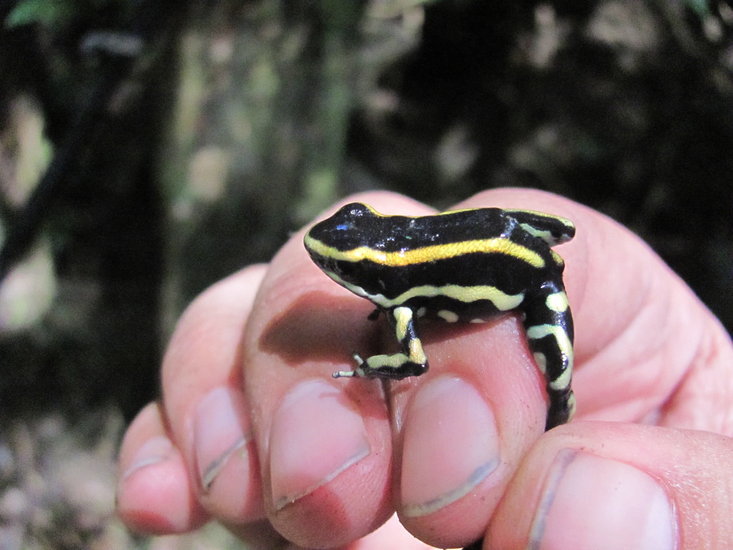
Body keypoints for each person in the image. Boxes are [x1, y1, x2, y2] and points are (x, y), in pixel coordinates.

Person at [116, 188, 733, 550]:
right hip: (514, 239)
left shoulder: (401, 302)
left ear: (375, 277)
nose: (333, 273)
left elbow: (411, 361)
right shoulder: (398, 295)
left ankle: (562, 417)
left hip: (532, 280)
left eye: (350, 270)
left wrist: (366, 367)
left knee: (557, 374)